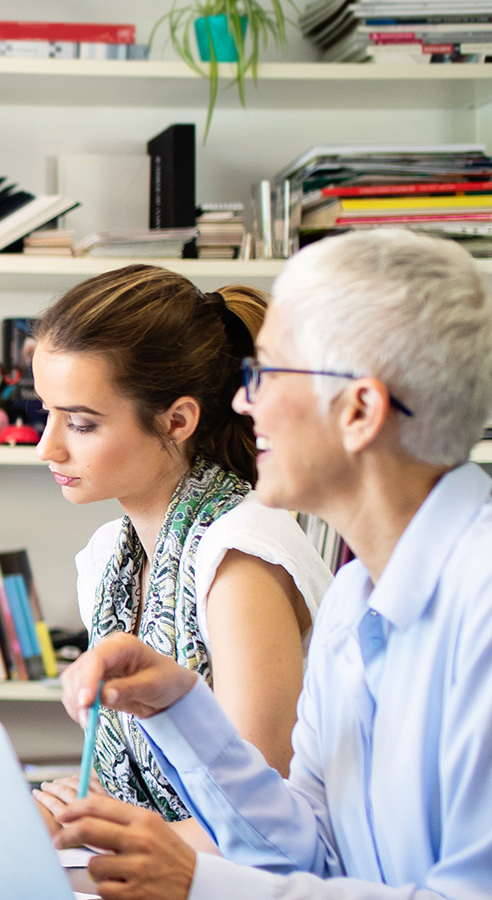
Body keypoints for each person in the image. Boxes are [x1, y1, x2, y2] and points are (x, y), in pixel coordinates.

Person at [53, 229, 492, 900]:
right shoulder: (355, 598)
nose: (241, 401)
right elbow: (310, 849)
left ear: (360, 410)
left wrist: (197, 883)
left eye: (268, 373)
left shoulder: (482, 606)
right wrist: (180, 708)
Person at [26, 266, 331, 851]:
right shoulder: (107, 559)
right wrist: (82, 820)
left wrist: (100, 836)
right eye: (46, 410)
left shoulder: (239, 558)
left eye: (81, 423)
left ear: (177, 420)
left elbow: (264, 820)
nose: (47, 446)